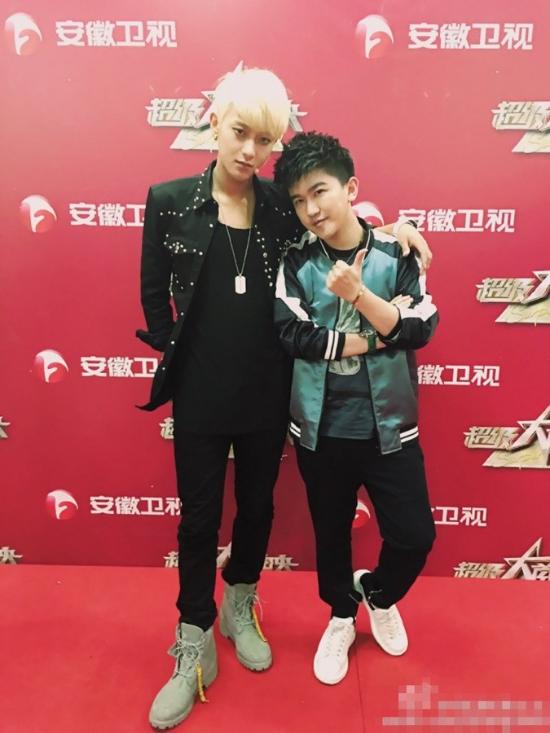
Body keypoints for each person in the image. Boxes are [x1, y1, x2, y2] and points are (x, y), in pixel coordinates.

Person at [137, 68, 433, 728]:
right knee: (197, 519)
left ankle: (240, 602)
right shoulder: (170, 200)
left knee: (258, 507)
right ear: (215, 123)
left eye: (264, 141)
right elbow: (154, 297)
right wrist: (181, 355)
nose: (250, 151)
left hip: (270, 395)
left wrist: (401, 226)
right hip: (200, 394)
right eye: (240, 133)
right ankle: (192, 637)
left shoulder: (278, 204)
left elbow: (338, 217)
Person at [273, 131, 438, 686]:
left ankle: (378, 594)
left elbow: (419, 327)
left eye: (319, 191)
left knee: (414, 536)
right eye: (299, 200)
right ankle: (341, 614)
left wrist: (358, 296)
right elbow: (294, 335)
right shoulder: (296, 260)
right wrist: (373, 335)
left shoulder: (397, 254)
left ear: (350, 188)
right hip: (321, 430)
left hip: (391, 428)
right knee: (331, 534)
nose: (311, 209)